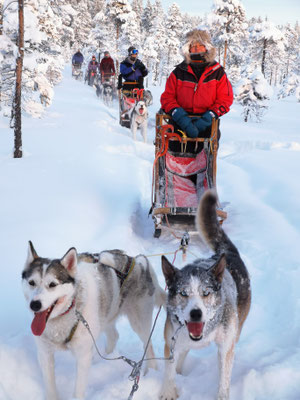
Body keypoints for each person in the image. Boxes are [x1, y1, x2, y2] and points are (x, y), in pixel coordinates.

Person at [160, 29, 233, 139]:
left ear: (207, 48)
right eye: (193, 45)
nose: (196, 48)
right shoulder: (179, 72)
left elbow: (225, 100)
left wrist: (208, 117)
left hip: (208, 123)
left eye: (200, 45)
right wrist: (179, 115)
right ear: (188, 49)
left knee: (208, 149)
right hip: (180, 122)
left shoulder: (217, 72)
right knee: (173, 146)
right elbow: (167, 97)